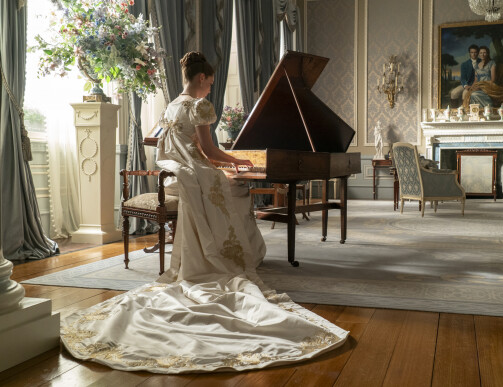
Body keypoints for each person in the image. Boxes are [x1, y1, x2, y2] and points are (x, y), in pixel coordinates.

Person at [60, 51, 348, 374]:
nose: (210, 88)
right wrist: (236, 162)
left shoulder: (171, 105)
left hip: (175, 176)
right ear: (200, 79)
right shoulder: (199, 106)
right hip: (193, 174)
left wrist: (222, 164)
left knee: (230, 185)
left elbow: (178, 148)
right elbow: (208, 152)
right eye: (210, 83)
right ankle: (243, 253)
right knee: (240, 189)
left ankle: (224, 251)